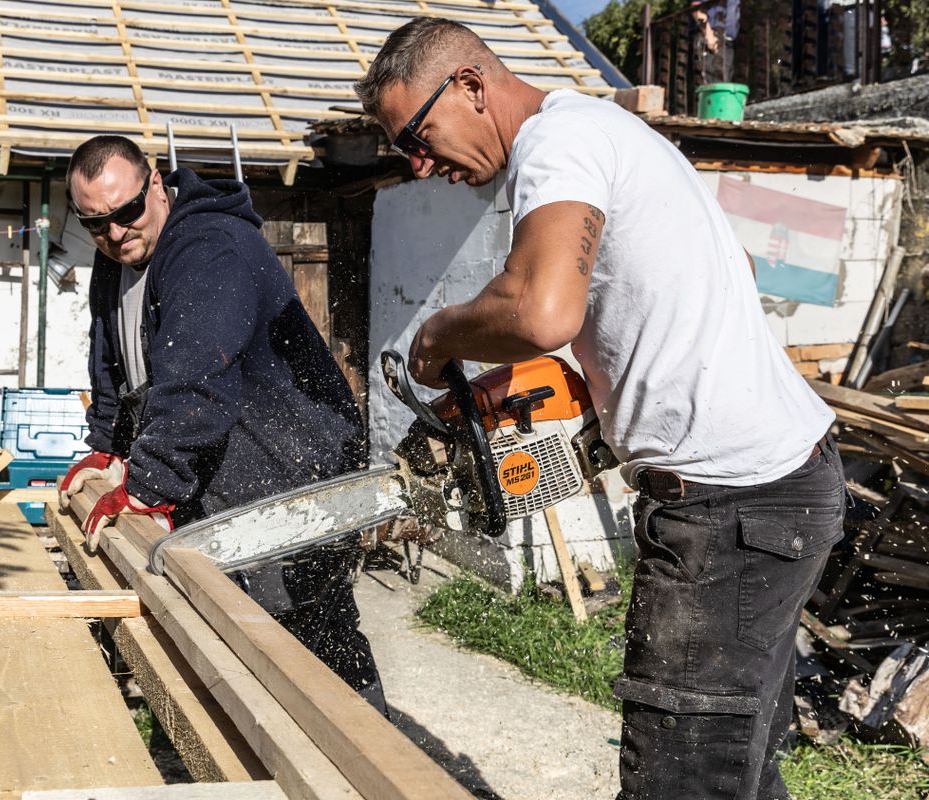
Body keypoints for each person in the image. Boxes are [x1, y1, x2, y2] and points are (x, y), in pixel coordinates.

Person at [356, 17, 844, 799]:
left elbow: (542, 310)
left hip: (731, 512)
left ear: (472, 86)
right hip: (781, 494)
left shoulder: (558, 143)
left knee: (678, 781)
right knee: (737, 771)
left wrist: (440, 334)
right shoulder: (610, 131)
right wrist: (593, 388)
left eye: (417, 135)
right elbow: (723, 277)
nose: (418, 164)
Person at [57, 135, 386, 712]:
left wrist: (149, 484)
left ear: (156, 183)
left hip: (292, 471)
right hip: (225, 469)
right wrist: (108, 446)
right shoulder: (117, 256)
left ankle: (380, 767)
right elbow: (109, 356)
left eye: (126, 212)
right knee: (234, 643)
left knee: (311, 645)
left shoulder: (211, 247)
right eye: (95, 223)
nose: (113, 233)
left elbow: (195, 377)